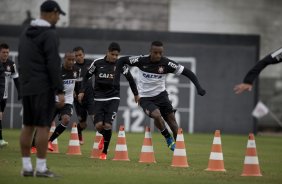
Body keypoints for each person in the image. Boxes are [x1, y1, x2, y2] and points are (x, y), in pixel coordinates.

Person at [113, 41, 206, 151]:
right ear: (150, 52)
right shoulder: (141, 60)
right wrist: (116, 79)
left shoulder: (167, 64)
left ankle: (180, 153)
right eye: (155, 52)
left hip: (161, 96)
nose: (158, 55)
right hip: (145, 98)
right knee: (157, 115)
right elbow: (121, 60)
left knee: (174, 125)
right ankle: (168, 138)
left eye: (160, 53)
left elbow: (188, 72)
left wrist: (198, 87)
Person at [18, 0, 65, 177]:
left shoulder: (25, 32)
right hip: (43, 87)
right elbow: (53, 64)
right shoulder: (50, 34)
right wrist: (59, 89)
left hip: (28, 86)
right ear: (52, 13)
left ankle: (27, 167)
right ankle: (42, 168)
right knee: (43, 127)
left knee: (27, 126)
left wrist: (24, 84)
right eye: (58, 14)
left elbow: (21, 60)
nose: (58, 18)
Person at [79, 42, 139, 160]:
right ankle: (104, 137)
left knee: (107, 125)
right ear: (108, 52)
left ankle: (104, 152)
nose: (115, 57)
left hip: (113, 98)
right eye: (113, 54)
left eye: (117, 55)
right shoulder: (97, 63)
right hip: (98, 98)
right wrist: (81, 91)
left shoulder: (121, 64)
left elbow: (131, 80)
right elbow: (86, 77)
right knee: (98, 125)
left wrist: (136, 94)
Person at [47, 52, 80, 150]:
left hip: (68, 101)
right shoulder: (57, 71)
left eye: (73, 60)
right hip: (55, 100)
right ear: (64, 59)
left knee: (66, 119)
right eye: (69, 60)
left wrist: (78, 92)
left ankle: (49, 141)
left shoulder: (77, 70)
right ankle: (33, 145)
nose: (71, 62)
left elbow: (78, 83)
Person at [73, 46, 95, 145]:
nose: (78, 57)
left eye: (80, 55)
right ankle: (79, 131)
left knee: (95, 119)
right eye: (76, 55)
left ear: (84, 55)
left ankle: (102, 142)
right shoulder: (72, 67)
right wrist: (73, 91)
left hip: (90, 97)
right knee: (83, 124)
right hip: (78, 100)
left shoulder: (91, 63)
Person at [0, 43, 20, 147]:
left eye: (7, 52)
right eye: (3, 52)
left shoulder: (11, 65)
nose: (6, 54)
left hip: (4, 96)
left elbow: (16, 79)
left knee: (0, 116)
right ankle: (1, 139)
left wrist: (20, 92)